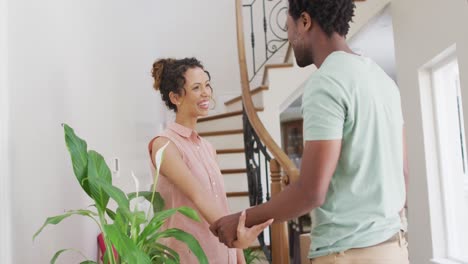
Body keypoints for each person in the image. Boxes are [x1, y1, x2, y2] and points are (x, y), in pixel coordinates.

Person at [210, 0, 409, 263]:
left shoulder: (326, 81)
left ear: (305, 21)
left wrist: (242, 218)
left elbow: (312, 192)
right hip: (393, 248)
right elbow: (402, 173)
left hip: (347, 254)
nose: (290, 39)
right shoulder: (382, 80)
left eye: (289, 28)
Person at [149, 57, 273, 263]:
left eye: (207, 85)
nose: (206, 92)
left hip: (224, 252)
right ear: (175, 97)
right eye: (196, 88)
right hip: (191, 257)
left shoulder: (207, 148)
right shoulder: (164, 145)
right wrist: (236, 236)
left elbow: (221, 205)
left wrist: (239, 256)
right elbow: (198, 195)